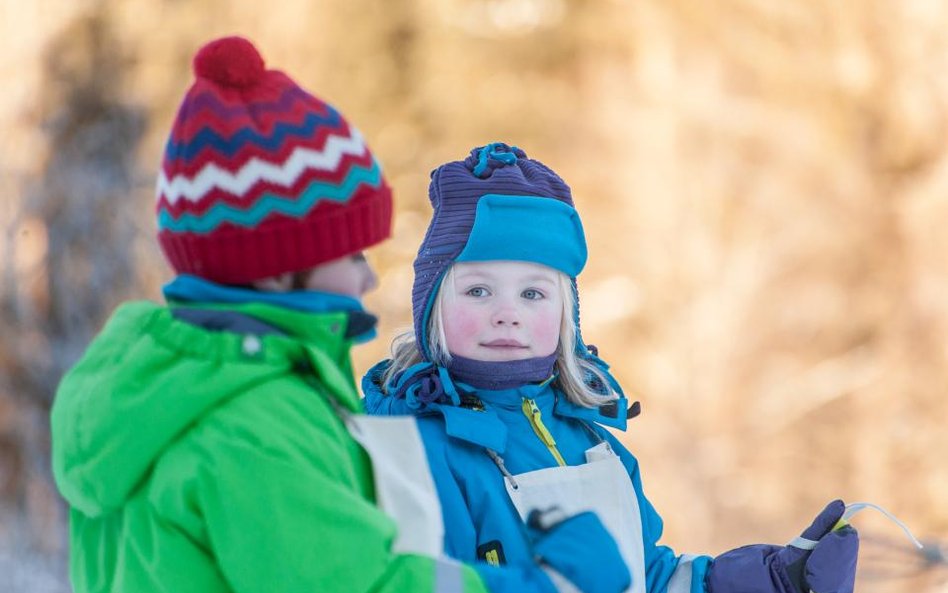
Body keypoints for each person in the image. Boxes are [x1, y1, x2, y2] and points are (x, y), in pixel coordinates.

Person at [50, 39, 629, 593]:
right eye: (351, 254)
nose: (367, 278)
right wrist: (549, 586)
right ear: (278, 267)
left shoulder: (163, 391)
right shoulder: (251, 420)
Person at [363, 142, 861, 593]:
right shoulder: (411, 448)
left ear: (566, 318)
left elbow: (652, 579)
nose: (507, 311)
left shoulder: (596, 445)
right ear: (430, 309)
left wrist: (774, 580)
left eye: (533, 292)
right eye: (478, 290)